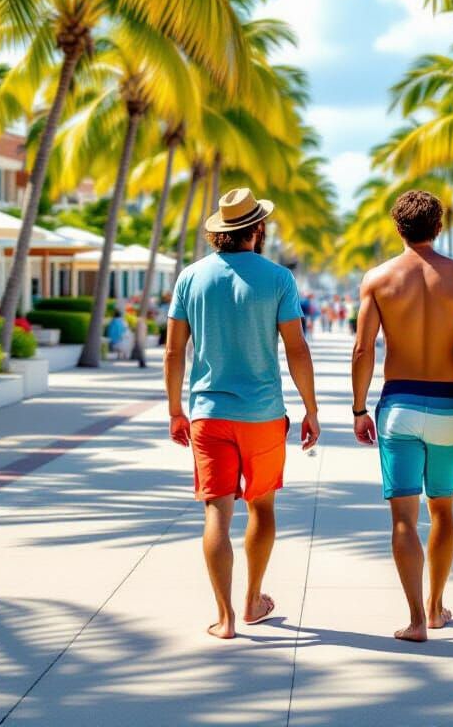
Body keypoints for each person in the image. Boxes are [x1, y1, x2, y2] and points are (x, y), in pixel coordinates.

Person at [164, 187, 320, 640]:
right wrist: (311, 409)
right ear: (257, 228)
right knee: (262, 506)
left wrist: (176, 410)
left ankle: (226, 617)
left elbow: (175, 351)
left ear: (220, 232)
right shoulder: (278, 279)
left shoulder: (191, 278)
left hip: (208, 415)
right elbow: (296, 348)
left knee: (217, 512)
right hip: (264, 414)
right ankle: (253, 599)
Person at [351, 189, 453, 643]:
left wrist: (359, 408)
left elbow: (362, 350)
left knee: (403, 520)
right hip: (451, 409)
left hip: (399, 407)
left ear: (398, 228)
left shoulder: (378, 279)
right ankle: (436, 608)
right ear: (440, 226)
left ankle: (415, 620)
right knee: (444, 511)